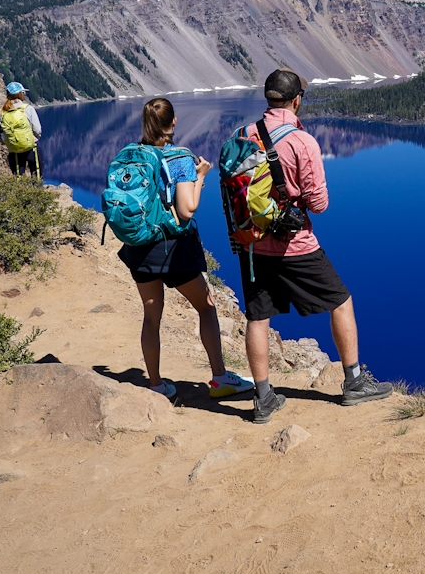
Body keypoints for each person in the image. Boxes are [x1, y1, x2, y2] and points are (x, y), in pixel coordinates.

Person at [240, 68, 392, 422]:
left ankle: (264, 399)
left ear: (268, 98)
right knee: (340, 301)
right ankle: (354, 383)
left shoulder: (242, 135)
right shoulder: (301, 141)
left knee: (258, 318)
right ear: (296, 101)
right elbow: (319, 204)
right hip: (294, 245)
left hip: (252, 244)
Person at [118, 97, 255, 402]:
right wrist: (202, 174)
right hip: (173, 248)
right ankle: (220, 378)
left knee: (151, 317)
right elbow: (187, 209)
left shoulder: (132, 154)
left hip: (139, 244)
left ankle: (155, 386)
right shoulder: (180, 157)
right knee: (206, 307)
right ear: (174, 122)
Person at [0, 82, 42, 177]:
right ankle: (37, 191)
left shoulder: (2, 111)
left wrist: (10, 142)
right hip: (31, 148)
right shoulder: (27, 108)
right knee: (36, 174)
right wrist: (33, 138)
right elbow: (37, 130)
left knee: (18, 177)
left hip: (14, 150)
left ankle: (20, 191)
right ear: (20, 94)